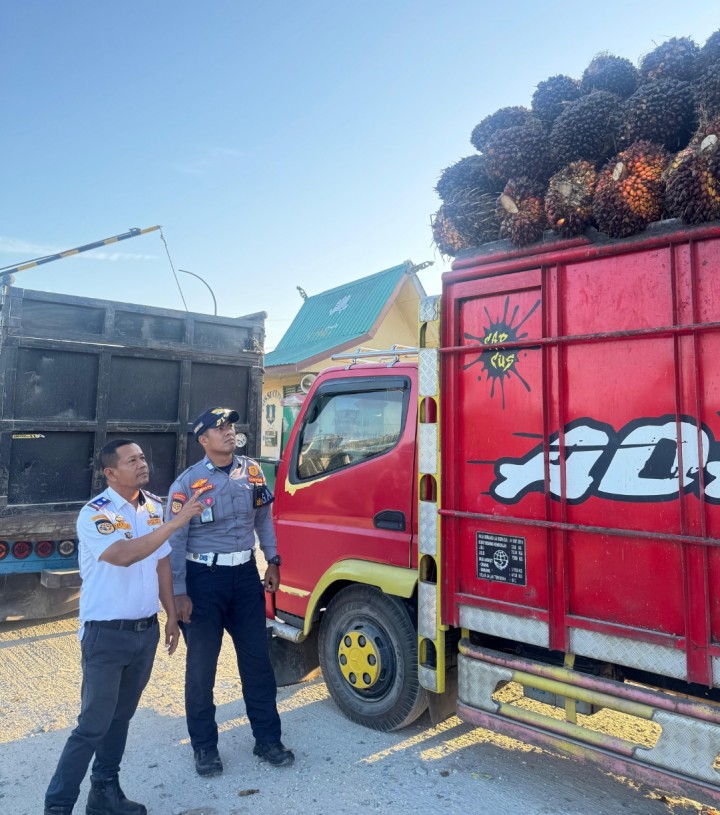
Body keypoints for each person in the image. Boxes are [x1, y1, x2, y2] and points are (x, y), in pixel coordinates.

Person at [44, 439, 202, 815]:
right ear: (111, 473)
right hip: (106, 635)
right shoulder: (95, 513)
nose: (142, 464)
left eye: (143, 457)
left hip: (143, 634)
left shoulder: (152, 506)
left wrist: (170, 615)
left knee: (120, 719)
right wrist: (178, 522)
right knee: (92, 725)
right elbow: (126, 555)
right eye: (132, 460)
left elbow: (162, 563)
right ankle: (57, 805)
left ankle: (105, 794)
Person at [167, 406, 293, 777]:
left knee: (257, 663)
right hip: (203, 582)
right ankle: (205, 748)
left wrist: (272, 559)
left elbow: (263, 518)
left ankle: (268, 740)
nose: (229, 431)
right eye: (219, 428)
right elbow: (176, 539)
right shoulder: (187, 483)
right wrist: (178, 592)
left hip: (244, 577)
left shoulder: (251, 471)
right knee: (202, 670)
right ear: (203, 439)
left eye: (231, 426)